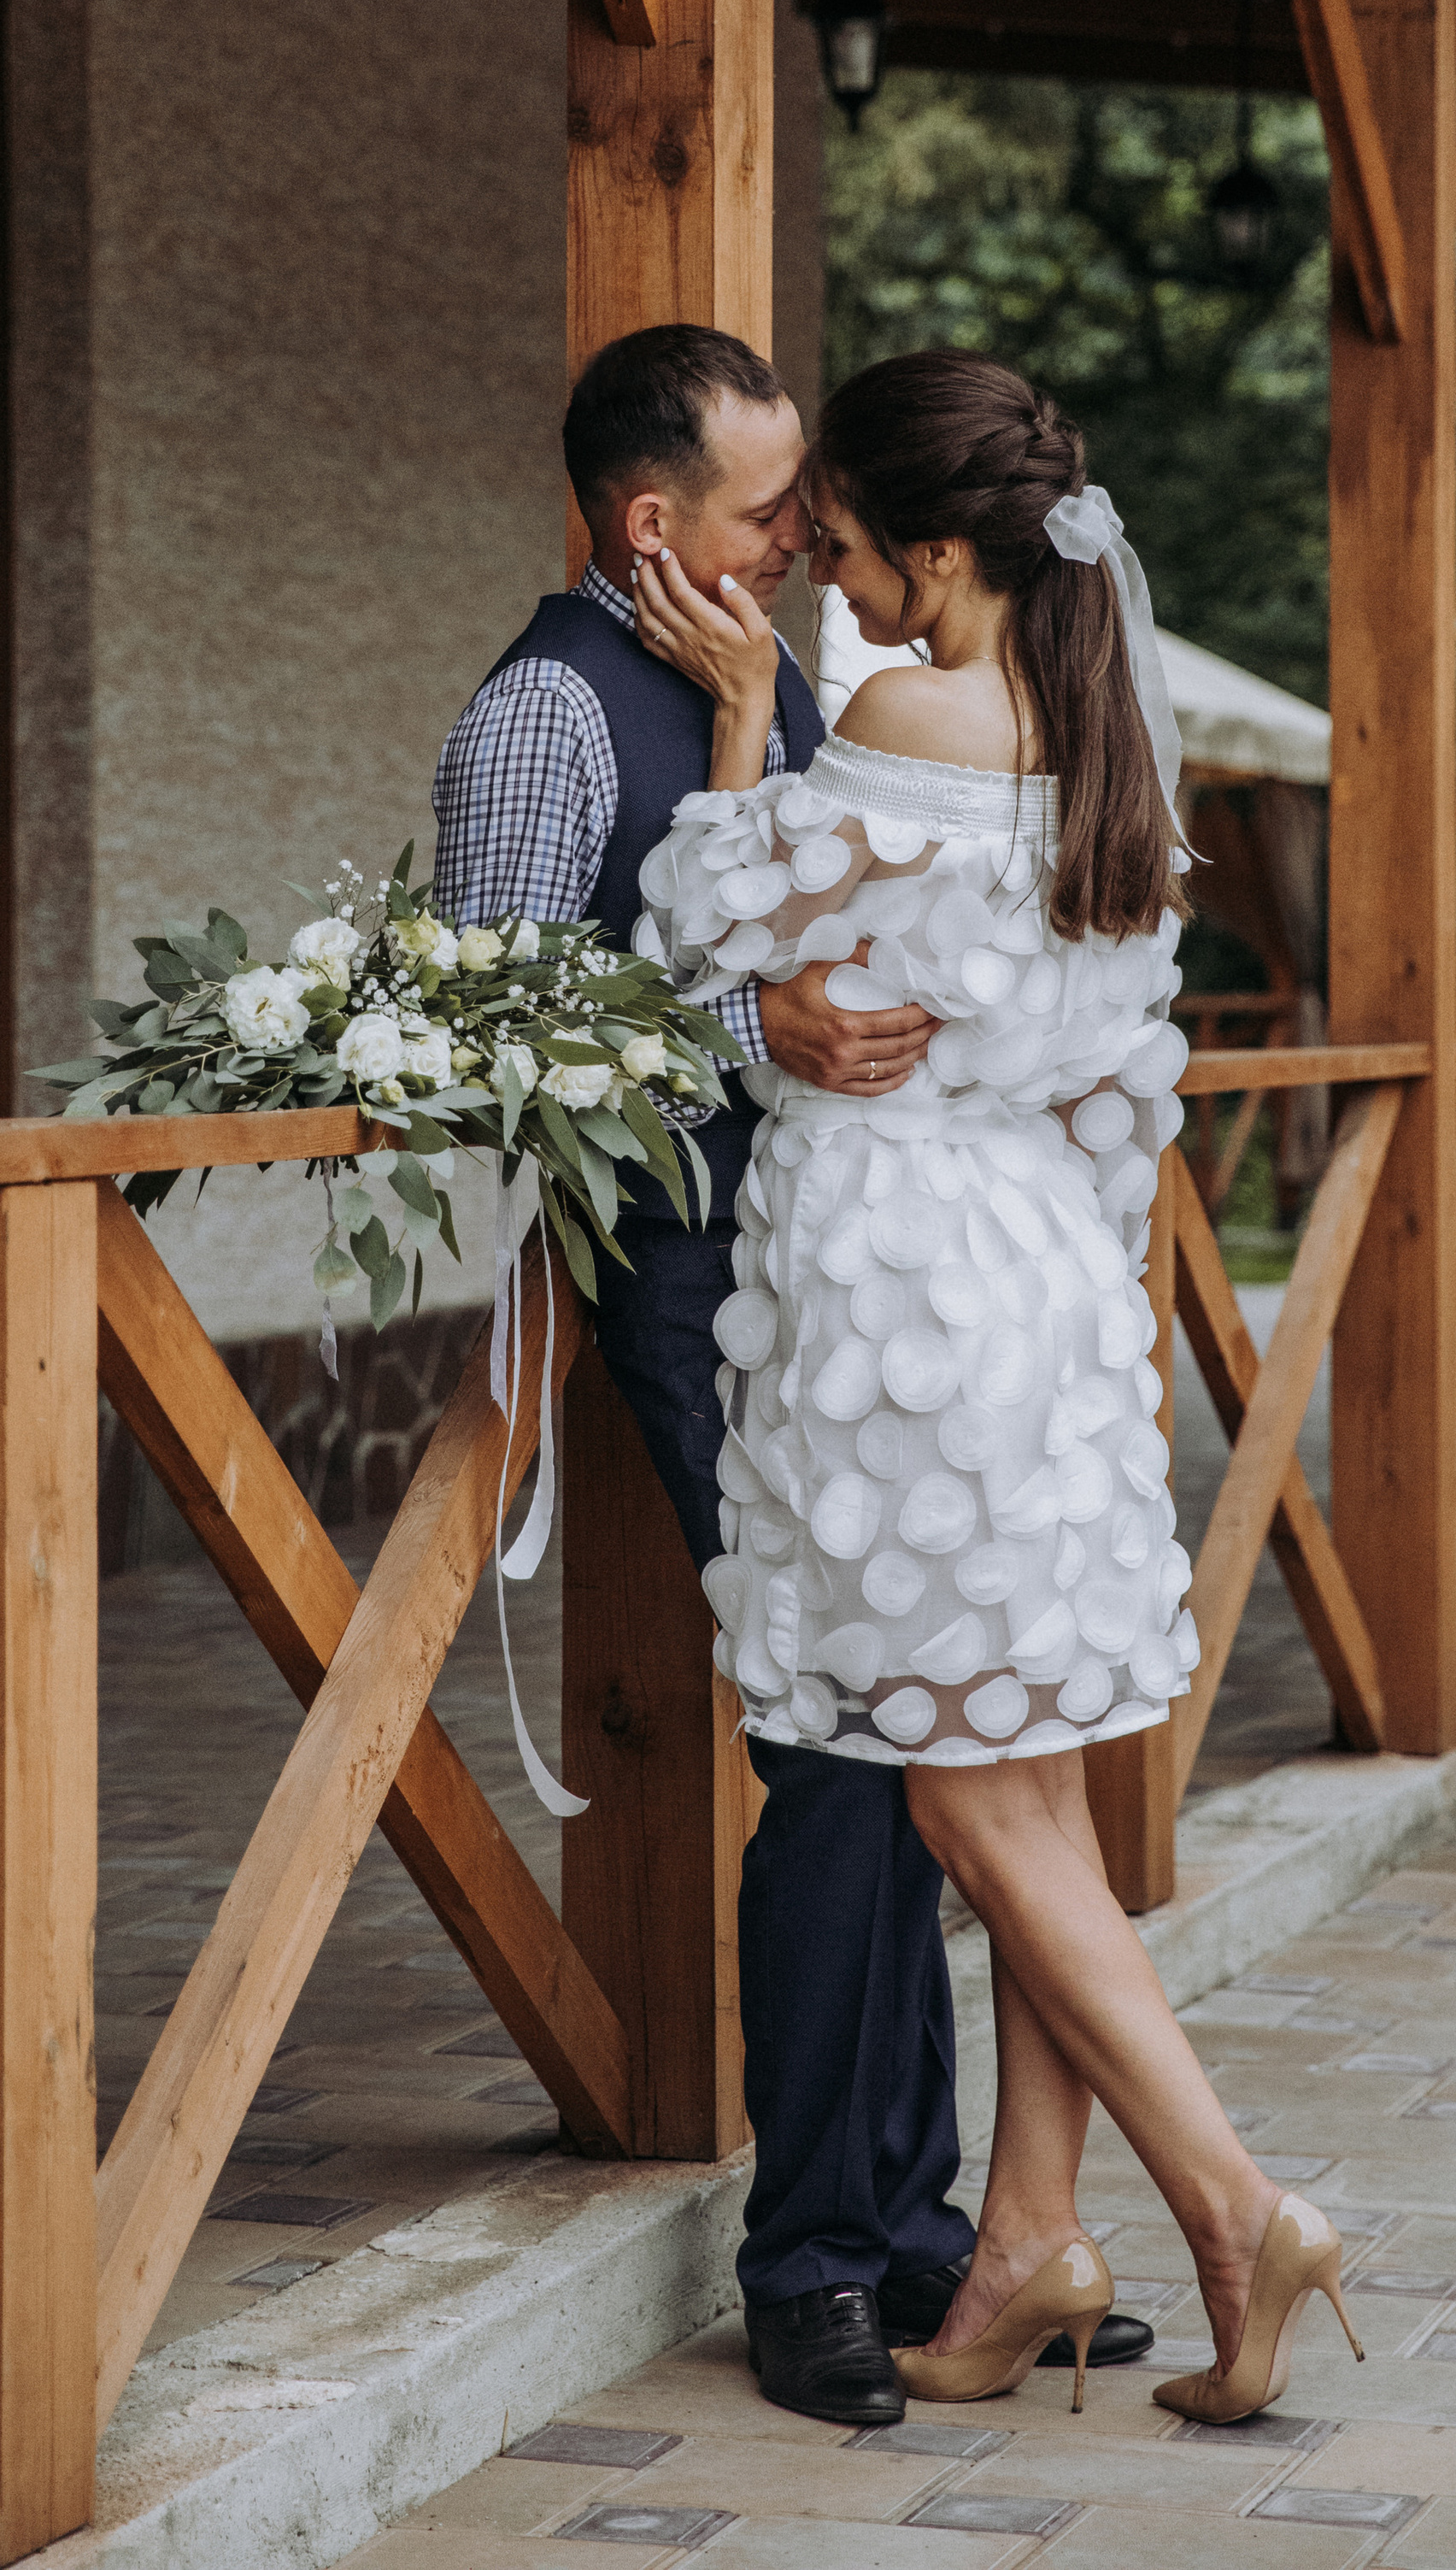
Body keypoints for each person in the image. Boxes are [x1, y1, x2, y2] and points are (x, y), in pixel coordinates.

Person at [432, 324, 1157, 2429]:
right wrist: (759, 1045)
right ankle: (823, 2252)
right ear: (650, 523)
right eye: (771, 514)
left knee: (900, 1727)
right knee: (847, 1739)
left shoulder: (786, 685)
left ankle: (920, 2227)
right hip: (687, 1277)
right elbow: (501, 1044)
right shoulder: (547, 717)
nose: (802, 543)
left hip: (843, 1276)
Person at [635, 350, 1363, 2424]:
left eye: (844, 544)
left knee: (953, 1783)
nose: (819, 574)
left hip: (901, 1290)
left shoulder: (892, 712)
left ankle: (1231, 2199)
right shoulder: (1095, 727)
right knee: (1028, 1762)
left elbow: (700, 902)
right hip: (1044, 1271)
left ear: (936, 554)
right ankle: (1027, 2240)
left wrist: (738, 714)